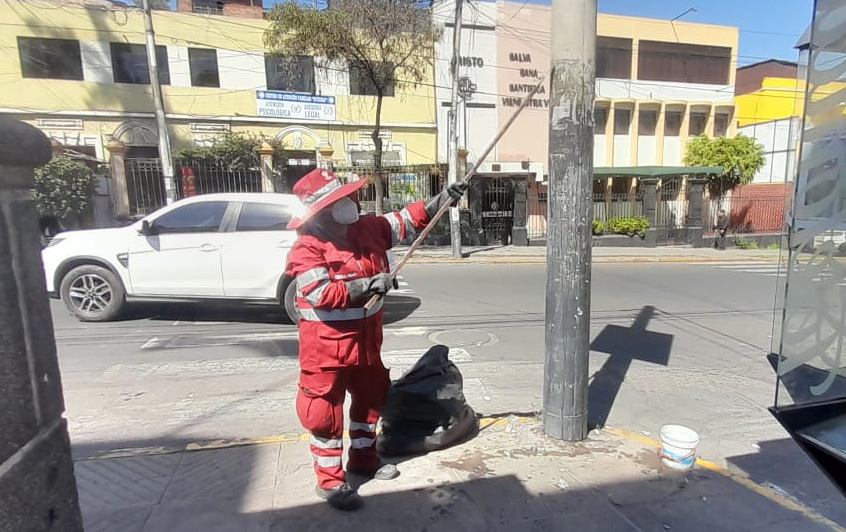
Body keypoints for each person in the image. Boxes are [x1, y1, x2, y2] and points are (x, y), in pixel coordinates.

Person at [284, 168, 468, 511]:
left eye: (349, 196)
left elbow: (405, 221)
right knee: (324, 416)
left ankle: (364, 460)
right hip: (326, 352)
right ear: (322, 209)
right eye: (341, 200)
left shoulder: (367, 229)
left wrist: (442, 199)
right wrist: (364, 286)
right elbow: (321, 293)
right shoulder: (307, 247)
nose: (351, 203)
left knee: (369, 405)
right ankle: (330, 481)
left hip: (366, 346)